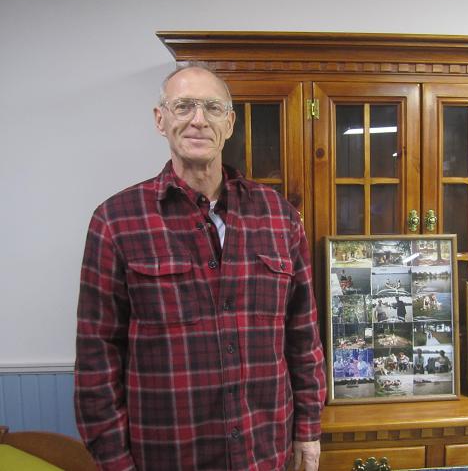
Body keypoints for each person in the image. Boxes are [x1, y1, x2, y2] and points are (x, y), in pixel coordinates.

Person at [74, 66, 326, 471]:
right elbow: (97, 358)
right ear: (160, 119)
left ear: (229, 123)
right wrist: (115, 461)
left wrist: (309, 430)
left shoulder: (279, 217)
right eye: (184, 106)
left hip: (265, 452)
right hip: (167, 455)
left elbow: (303, 335)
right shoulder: (116, 222)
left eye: (212, 108)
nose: (198, 119)